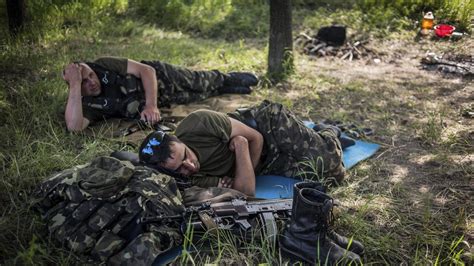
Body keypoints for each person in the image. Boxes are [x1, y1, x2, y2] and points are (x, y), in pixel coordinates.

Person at [138, 100, 345, 196]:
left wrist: (243, 167)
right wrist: (241, 152)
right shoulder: (186, 180)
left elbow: (254, 138)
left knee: (333, 168)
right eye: (180, 169)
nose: (190, 166)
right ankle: (318, 138)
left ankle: (329, 132)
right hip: (259, 160)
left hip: (266, 126)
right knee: (322, 177)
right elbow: (246, 191)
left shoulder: (199, 122)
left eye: (186, 156)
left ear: (180, 140)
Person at [62, 56, 258, 132]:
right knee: (197, 97)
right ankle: (223, 90)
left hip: (160, 78)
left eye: (90, 76)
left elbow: (147, 71)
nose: (92, 82)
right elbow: (74, 127)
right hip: (164, 99)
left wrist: (150, 105)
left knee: (198, 81)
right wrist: (75, 85)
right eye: (84, 83)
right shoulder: (84, 104)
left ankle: (226, 78)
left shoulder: (104, 64)